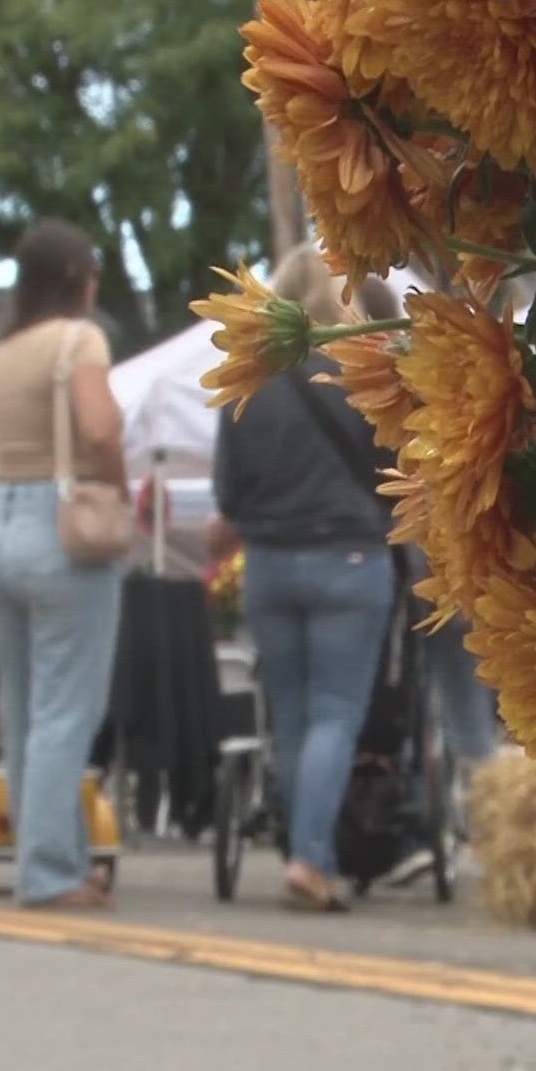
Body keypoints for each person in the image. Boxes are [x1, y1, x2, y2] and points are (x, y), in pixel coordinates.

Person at [212, 242, 399, 912]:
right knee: (335, 717)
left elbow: (227, 494)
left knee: (289, 719)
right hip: (350, 560)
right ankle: (310, 860)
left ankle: (304, 846)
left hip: (266, 565)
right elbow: (397, 473)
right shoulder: (363, 374)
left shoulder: (248, 381)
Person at [0, 219, 128, 910]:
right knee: (67, 709)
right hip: (59, 528)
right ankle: (48, 872)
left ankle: (53, 855)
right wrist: (119, 484)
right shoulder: (78, 339)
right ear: (79, 280)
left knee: (25, 709)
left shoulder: (0, 355)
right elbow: (97, 427)